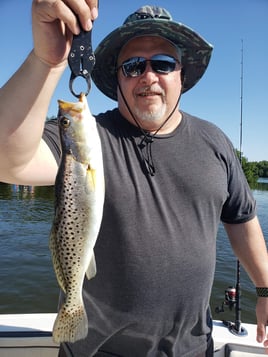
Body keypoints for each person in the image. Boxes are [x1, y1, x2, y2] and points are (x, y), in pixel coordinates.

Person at [1, 1, 268, 356]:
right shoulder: (90, 137)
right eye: (132, 66)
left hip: (193, 349)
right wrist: (47, 61)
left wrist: (264, 290)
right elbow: (9, 161)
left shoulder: (215, 141)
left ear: (181, 75)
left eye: (162, 64)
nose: (148, 75)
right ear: (118, 78)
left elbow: (242, 221)